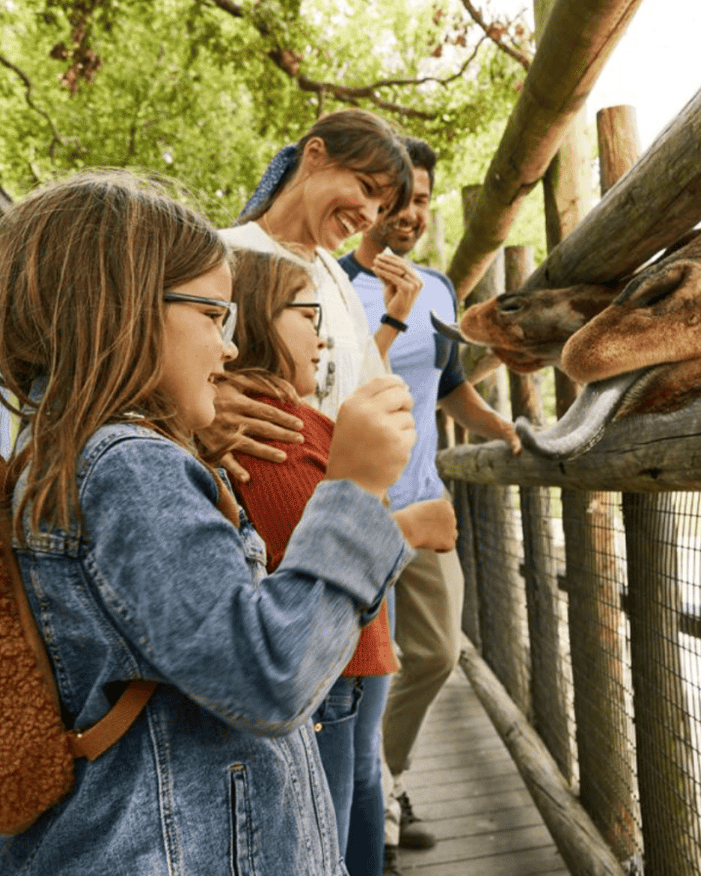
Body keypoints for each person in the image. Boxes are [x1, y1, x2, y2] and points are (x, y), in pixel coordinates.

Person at [0, 170, 416, 876]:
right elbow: (268, 673)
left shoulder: (62, 457)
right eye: (211, 316)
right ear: (122, 309)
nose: (229, 350)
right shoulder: (128, 467)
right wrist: (353, 487)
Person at [224, 248, 456, 875]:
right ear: (249, 323)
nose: (324, 338)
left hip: (352, 658)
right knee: (330, 821)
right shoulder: (268, 435)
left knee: (358, 788)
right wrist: (409, 524)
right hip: (331, 671)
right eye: (306, 315)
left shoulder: (288, 417)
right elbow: (307, 548)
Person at [338, 137, 521, 874]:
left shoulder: (439, 287)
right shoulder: (329, 282)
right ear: (371, 199)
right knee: (365, 668)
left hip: (426, 498)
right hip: (356, 511)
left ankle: (387, 772)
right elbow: (335, 392)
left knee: (439, 652)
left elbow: (447, 386)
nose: (411, 214)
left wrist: (503, 429)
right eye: (399, 199)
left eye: (422, 200)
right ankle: (370, 798)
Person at [207, 109, 424, 480]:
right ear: (314, 155)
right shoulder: (222, 256)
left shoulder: (338, 282)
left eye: (382, 208)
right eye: (367, 189)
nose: (370, 217)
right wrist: (204, 411)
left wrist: (394, 319)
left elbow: (359, 388)